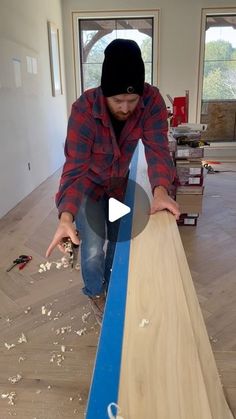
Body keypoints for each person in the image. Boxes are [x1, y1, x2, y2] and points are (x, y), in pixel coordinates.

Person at [46, 39, 180, 325]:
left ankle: (113, 289)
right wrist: (66, 215)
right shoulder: (83, 111)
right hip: (89, 189)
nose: (126, 107)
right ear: (104, 92)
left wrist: (160, 191)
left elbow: (157, 148)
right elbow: (74, 169)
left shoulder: (152, 101)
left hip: (119, 186)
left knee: (120, 243)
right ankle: (96, 293)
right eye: (117, 100)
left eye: (132, 100)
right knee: (93, 248)